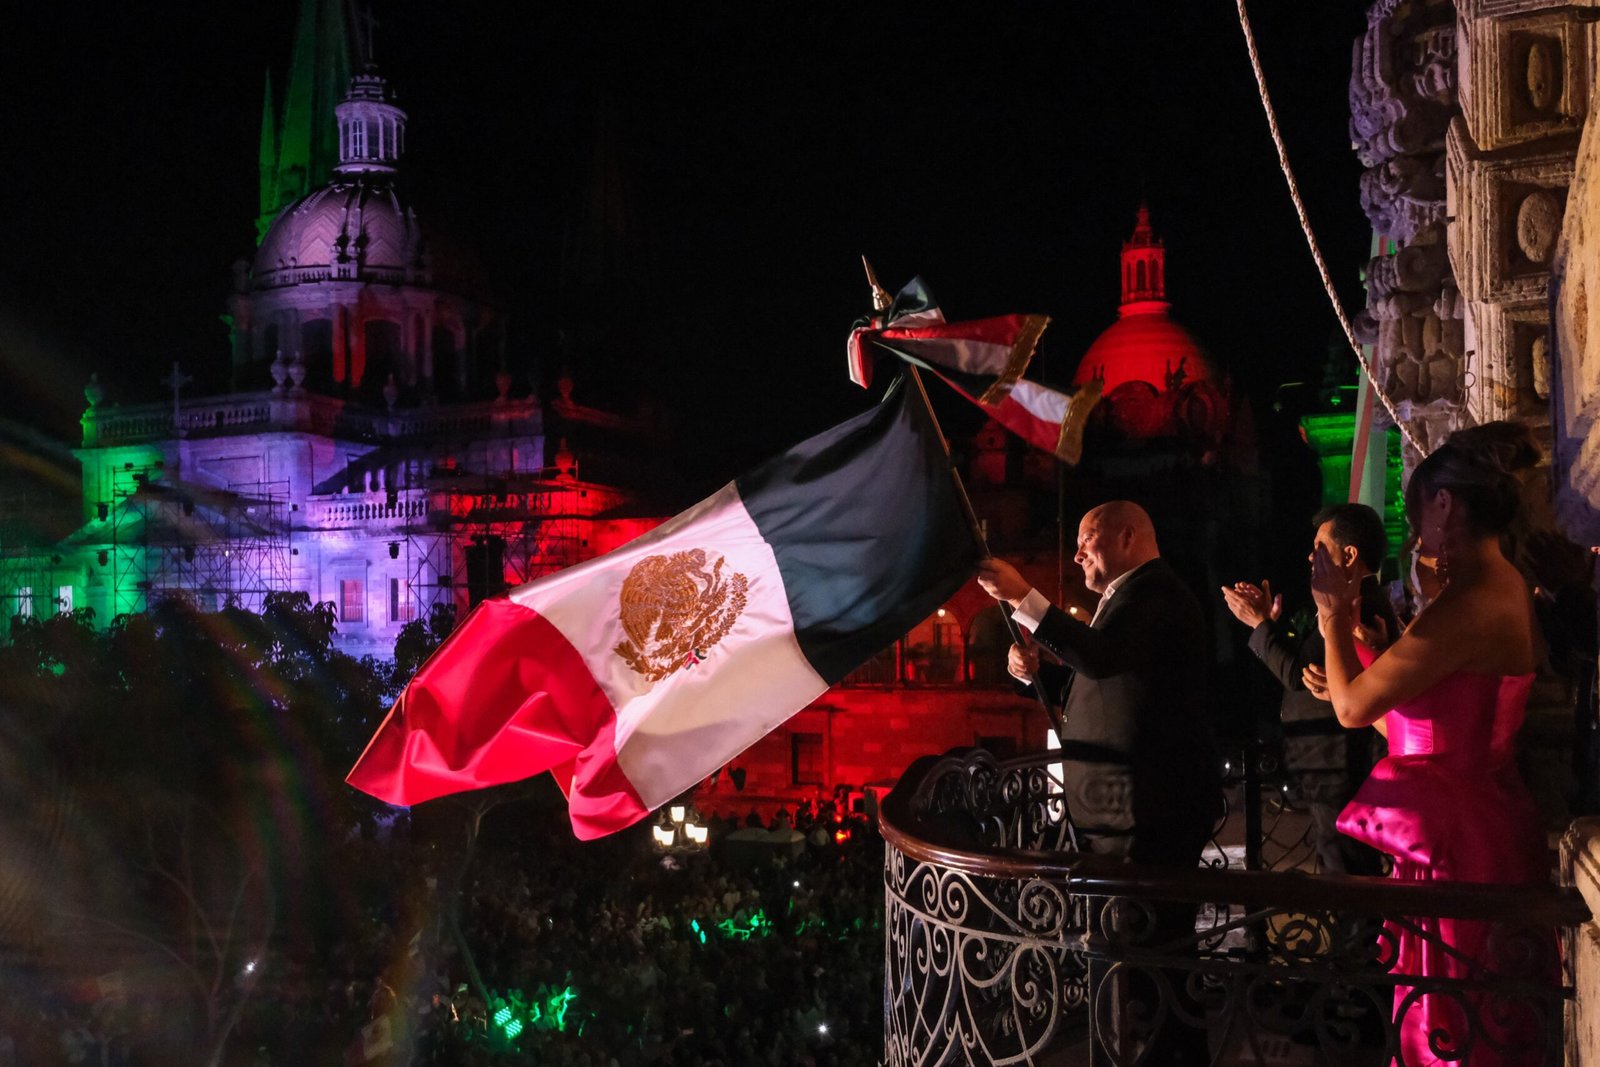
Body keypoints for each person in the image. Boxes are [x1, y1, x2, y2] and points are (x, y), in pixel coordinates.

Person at [1310, 421, 1556, 1067]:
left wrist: (1333, 617)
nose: (1418, 535)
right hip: (1475, 821)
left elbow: (1352, 707)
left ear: (1445, 503)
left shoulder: (1475, 600)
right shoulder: (1497, 589)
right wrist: (1358, 651)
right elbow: (1413, 723)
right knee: (1454, 1012)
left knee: (1457, 1019)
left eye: (1419, 514)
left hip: (1460, 840)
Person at [980, 500, 1220, 1067]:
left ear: (1128, 536)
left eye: (1088, 538)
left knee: (1151, 963)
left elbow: (1105, 658)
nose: (1078, 551)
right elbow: (1105, 686)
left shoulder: (1155, 594)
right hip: (1122, 817)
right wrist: (1036, 672)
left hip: (1145, 819)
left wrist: (1022, 596)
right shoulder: (1126, 600)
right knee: (1137, 962)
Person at [1222, 503, 1398, 873]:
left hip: (1340, 761)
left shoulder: (1357, 608)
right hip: (1332, 761)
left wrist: (1258, 625)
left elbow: (1303, 675)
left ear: (1349, 555)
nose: (1310, 556)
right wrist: (1272, 623)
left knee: (1347, 876)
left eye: (1320, 547)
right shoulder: (1350, 603)